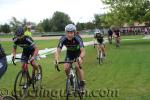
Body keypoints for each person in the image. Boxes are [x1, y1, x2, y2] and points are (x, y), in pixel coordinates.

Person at [55, 24, 85, 92]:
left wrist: (80, 57)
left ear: (74, 32)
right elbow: (58, 51)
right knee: (66, 68)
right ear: (66, 32)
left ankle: (82, 83)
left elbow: (83, 51)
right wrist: (56, 59)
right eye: (68, 32)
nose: (69, 34)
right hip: (70, 54)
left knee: (77, 67)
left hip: (78, 53)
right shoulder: (63, 39)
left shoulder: (78, 38)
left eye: (71, 32)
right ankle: (71, 80)